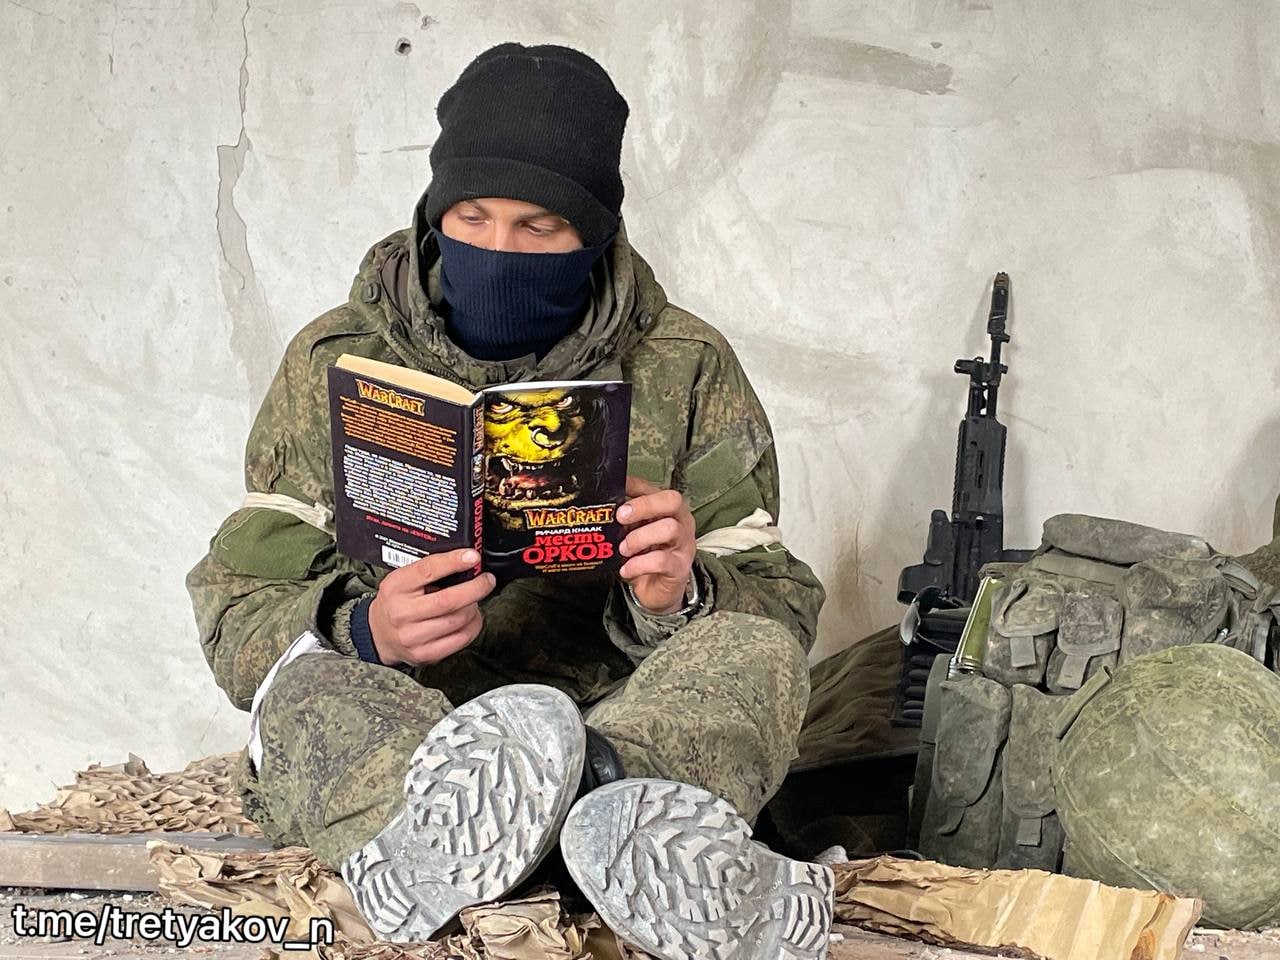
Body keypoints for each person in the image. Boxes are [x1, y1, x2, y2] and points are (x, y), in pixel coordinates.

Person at [188, 42, 834, 959]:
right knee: (302, 689)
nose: (498, 249)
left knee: (755, 651)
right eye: (472, 215)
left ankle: (597, 805)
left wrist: (679, 595)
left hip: (620, 718)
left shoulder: (686, 364)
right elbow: (237, 602)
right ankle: (497, 832)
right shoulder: (335, 360)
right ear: (434, 212)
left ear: (595, 232)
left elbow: (779, 604)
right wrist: (365, 629)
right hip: (409, 729)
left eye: (540, 226)